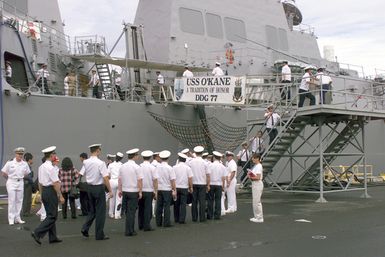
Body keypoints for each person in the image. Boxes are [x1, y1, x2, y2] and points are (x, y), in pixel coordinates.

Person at [31, 146, 64, 245]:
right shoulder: (51, 168)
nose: (55, 155)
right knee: (53, 215)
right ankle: (37, 232)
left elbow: (40, 183)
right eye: (54, 154)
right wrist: (60, 196)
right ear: (51, 155)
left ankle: (53, 237)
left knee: (50, 214)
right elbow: (55, 183)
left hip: (44, 191)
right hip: (50, 191)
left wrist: (41, 194)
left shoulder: (41, 167)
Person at [80, 144, 112, 240]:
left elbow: (81, 173)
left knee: (92, 211)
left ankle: (85, 228)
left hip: (89, 188)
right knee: (100, 212)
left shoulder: (86, 162)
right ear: (98, 150)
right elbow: (105, 178)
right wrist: (110, 190)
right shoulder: (101, 163)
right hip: (98, 188)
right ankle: (99, 234)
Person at [1, 147, 31, 225]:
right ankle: (11, 219)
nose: (20, 155)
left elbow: (27, 173)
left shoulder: (24, 163)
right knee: (12, 200)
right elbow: (3, 173)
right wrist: (10, 179)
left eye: (21, 154)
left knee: (19, 200)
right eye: (19, 154)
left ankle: (17, 218)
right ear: (15, 154)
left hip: (20, 182)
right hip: (11, 182)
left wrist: (19, 178)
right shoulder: (10, 162)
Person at [118, 148, 143, 236]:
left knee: (127, 212)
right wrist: (140, 191)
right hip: (133, 192)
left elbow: (120, 179)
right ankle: (130, 231)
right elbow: (140, 180)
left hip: (125, 191)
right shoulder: (137, 167)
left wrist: (120, 190)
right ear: (135, 156)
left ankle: (128, 230)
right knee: (131, 212)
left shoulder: (122, 166)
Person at [189, 146, 210, 222]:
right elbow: (208, 175)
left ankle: (194, 218)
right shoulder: (205, 163)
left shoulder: (190, 162)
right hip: (202, 183)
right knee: (202, 201)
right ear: (201, 153)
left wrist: (189, 185)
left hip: (194, 183)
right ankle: (202, 218)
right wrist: (208, 185)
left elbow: (189, 175)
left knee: (194, 201)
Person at [138, 150, 158, 231]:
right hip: (149, 190)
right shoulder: (152, 168)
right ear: (150, 158)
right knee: (148, 208)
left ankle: (140, 225)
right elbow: (155, 180)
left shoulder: (139, 166)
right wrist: (156, 191)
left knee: (141, 208)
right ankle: (147, 226)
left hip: (140, 190)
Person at [155, 150, 176, 227]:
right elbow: (172, 180)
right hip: (167, 189)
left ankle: (158, 222)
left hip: (159, 189)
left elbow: (155, 179)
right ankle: (166, 223)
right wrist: (174, 189)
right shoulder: (170, 168)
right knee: (166, 206)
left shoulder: (157, 167)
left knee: (159, 206)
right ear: (168, 158)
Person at [172, 152, 193, 224]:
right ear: (185, 160)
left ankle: (176, 218)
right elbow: (190, 178)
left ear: (179, 159)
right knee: (183, 204)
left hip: (176, 187)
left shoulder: (174, 167)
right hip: (184, 188)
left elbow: (172, 179)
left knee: (176, 204)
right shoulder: (188, 168)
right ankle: (182, 219)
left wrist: (173, 188)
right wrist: (191, 187)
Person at [207, 151, 226, 220]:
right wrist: (223, 186)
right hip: (219, 185)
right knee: (218, 200)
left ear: (214, 157)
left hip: (211, 184)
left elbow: (208, 176)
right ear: (220, 158)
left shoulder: (210, 165)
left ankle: (209, 215)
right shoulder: (223, 166)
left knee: (210, 200)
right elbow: (223, 178)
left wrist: (208, 185)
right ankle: (217, 215)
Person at [248, 153, 264, 223]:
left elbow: (257, 177)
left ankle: (260, 217)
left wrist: (250, 177)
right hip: (255, 184)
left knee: (257, 201)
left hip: (257, 184)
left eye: (253, 158)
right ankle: (256, 216)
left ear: (257, 158)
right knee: (255, 201)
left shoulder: (259, 166)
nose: (252, 159)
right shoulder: (256, 166)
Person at [108, 152, 124, 219]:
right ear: (121, 158)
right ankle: (117, 215)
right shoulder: (122, 165)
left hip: (112, 181)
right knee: (119, 198)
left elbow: (108, 175)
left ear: (115, 157)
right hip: (119, 182)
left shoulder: (110, 165)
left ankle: (111, 213)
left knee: (112, 198)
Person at [22, 152, 34, 217]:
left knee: (27, 198)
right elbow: (26, 175)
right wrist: (32, 182)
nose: (32, 161)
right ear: (29, 160)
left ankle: (27, 211)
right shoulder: (26, 166)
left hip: (27, 183)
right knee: (27, 198)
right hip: (27, 184)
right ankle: (26, 212)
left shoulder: (26, 165)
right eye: (32, 159)